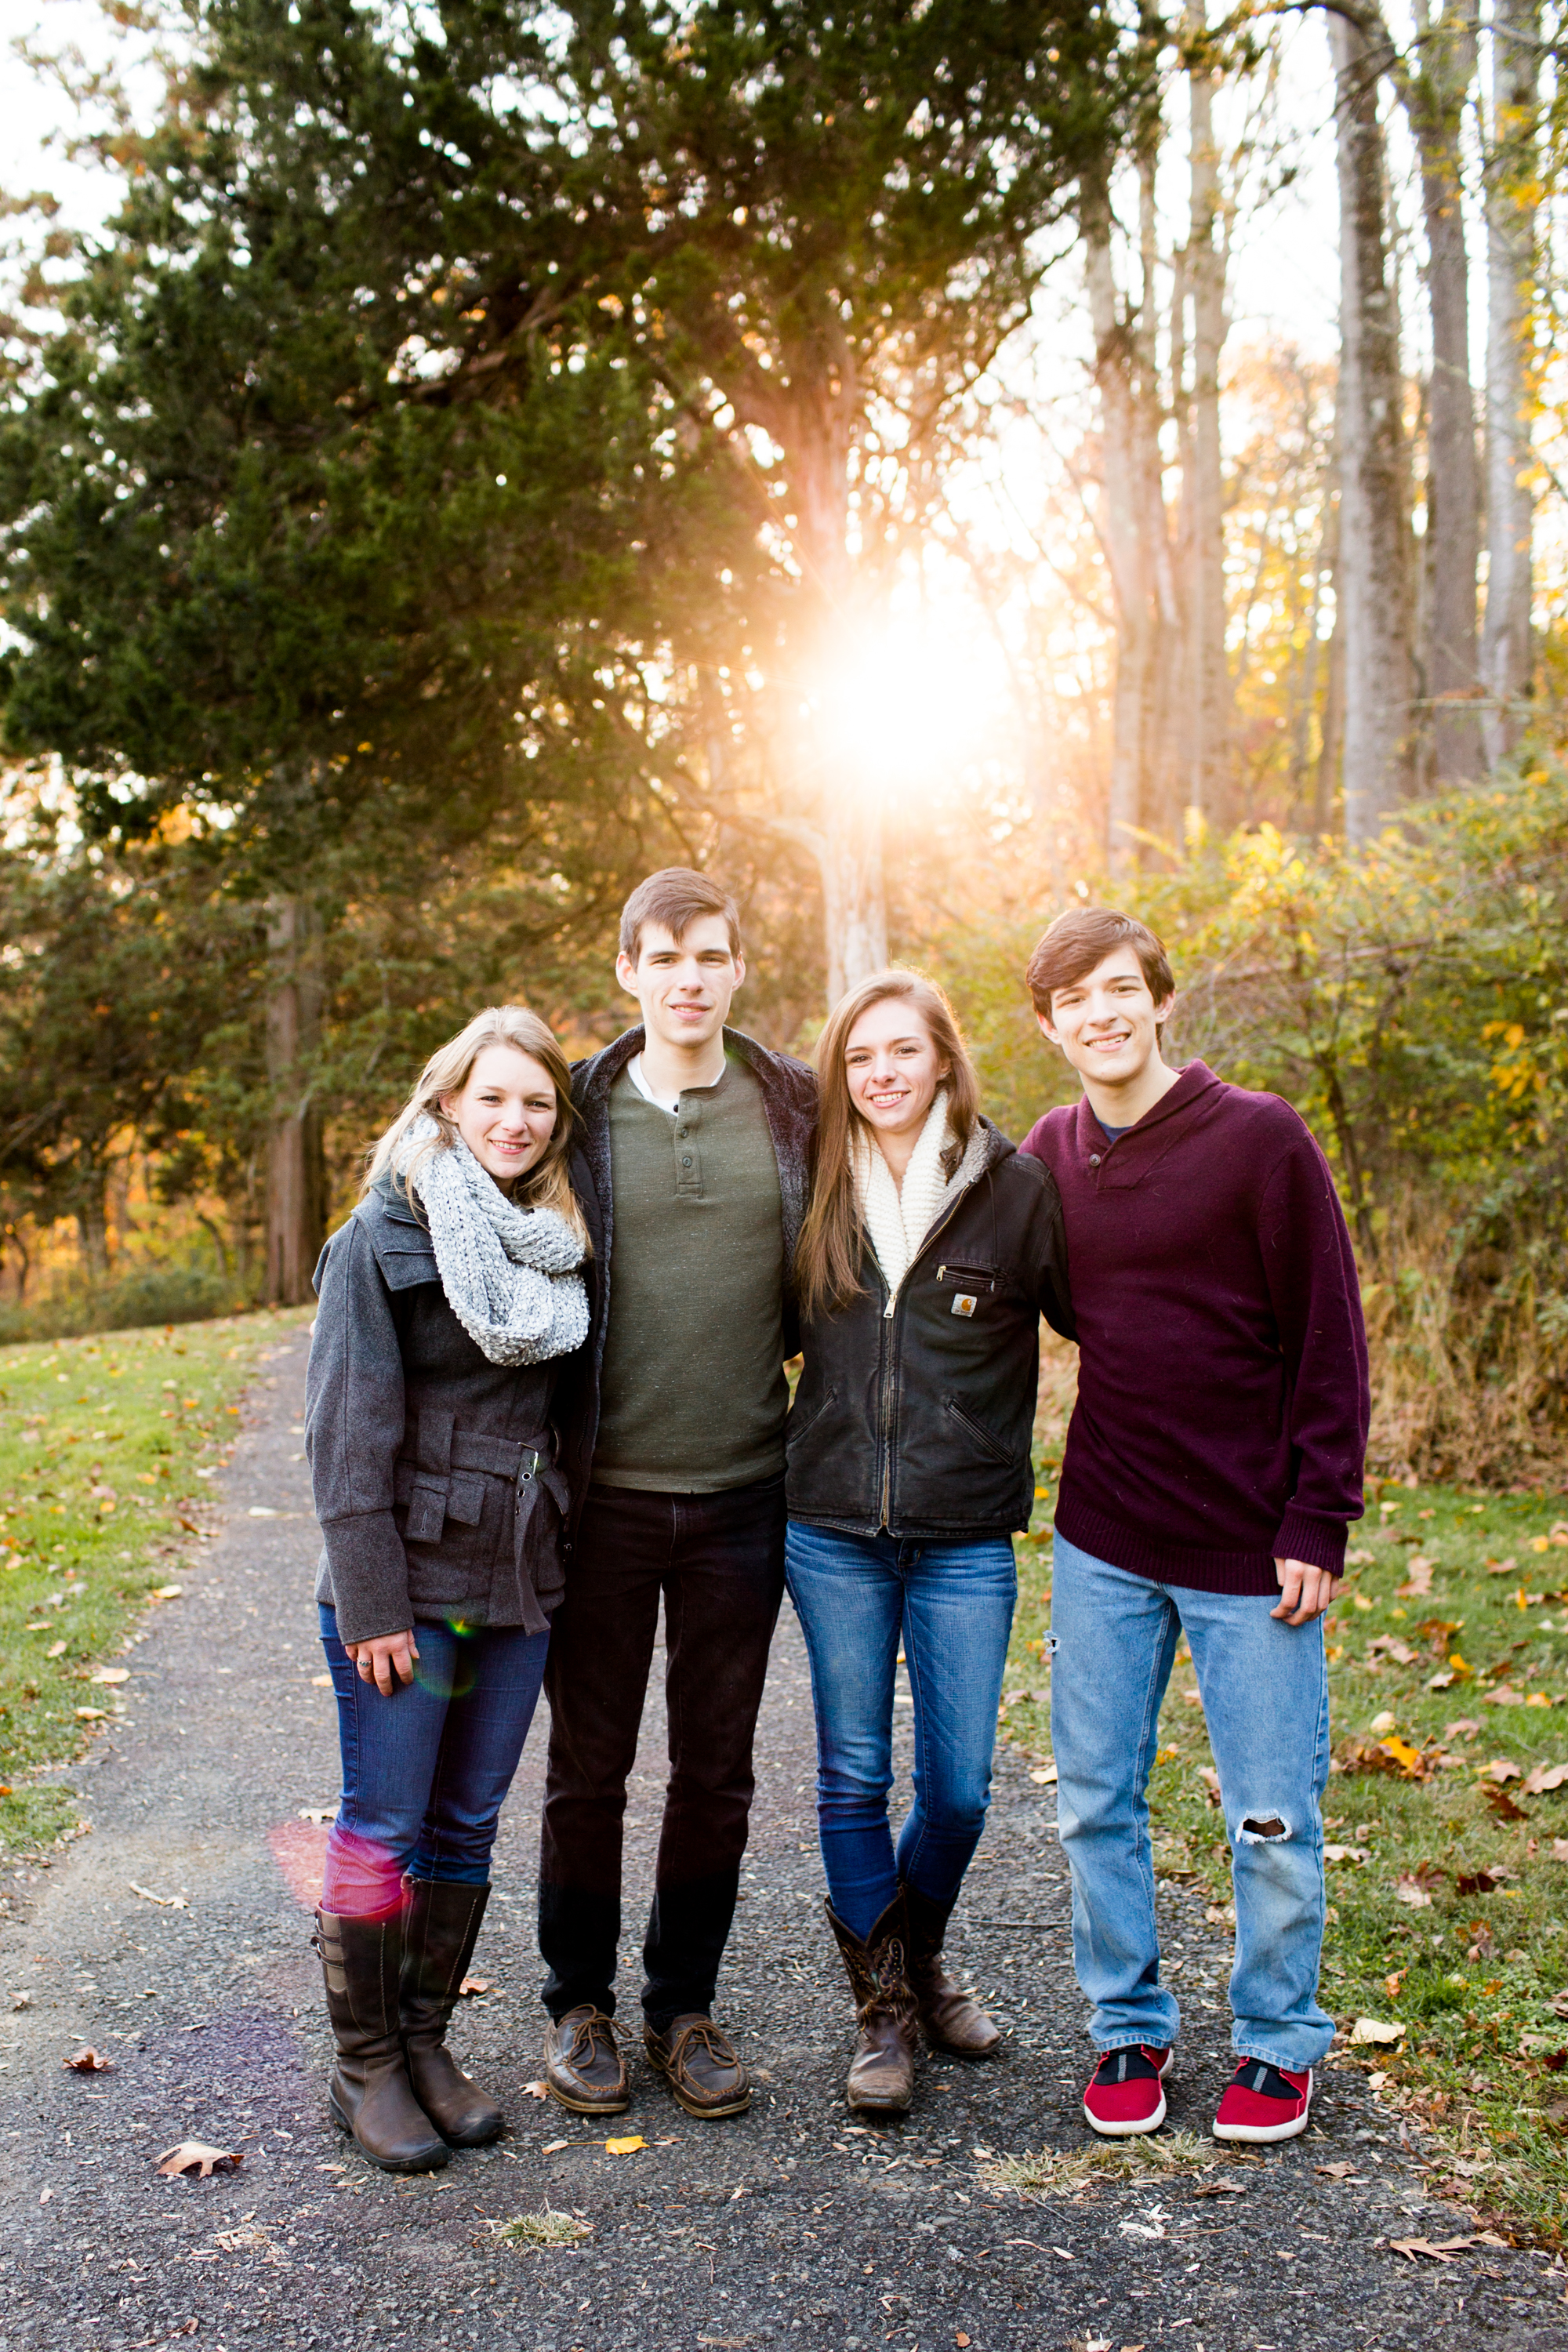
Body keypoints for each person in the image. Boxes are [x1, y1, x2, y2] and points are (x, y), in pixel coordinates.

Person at [1018, 907, 1369, 2145]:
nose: (1101, 1015)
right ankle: (1128, 2023)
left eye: (1121, 990)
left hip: (1253, 1545)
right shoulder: (1050, 1153)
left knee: (1269, 1812)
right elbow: (1056, 1309)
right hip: (1106, 1532)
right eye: (1075, 1000)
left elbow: (1330, 1340)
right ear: (1049, 1024)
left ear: (1160, 999)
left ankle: (1278, 2042)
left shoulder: (1262, 1140)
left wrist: (1318, 1515)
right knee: (1094, 1800)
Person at [536, 867, 815, 2122]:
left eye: (710, 955)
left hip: (747, 1495)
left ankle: (681, 2007)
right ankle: (578, 2006)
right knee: (590, 1766)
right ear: (628, 972)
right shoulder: (577, 1113)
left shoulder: (795, 1105)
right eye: (664, 957)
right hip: (604, 1497)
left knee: (718, 1772)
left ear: (738, 966)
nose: (688, 978)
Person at [305, 1005, 596, 2174]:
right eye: (493, 1100)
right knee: (385, 1822)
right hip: (405, 1585)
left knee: (466, 1821)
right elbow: (343, 1440)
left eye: (536, 1103)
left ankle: (426, 2044)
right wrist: (371, 1602)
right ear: (446, 1106)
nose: (514, 1121)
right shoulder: (377, 1238)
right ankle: (363, 2067)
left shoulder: (558, 1244)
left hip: (514, 1578)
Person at [786, 971, 1073, 2114]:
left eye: (904, 1052)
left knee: (956, 1790)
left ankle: (918, 1955)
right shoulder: (810, 1187)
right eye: (861, 1059)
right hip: (832, 1529)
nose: (883, 1075)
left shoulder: (1014, 1191)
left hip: (964, 1533)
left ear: (946, 1062)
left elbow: (1109, 1319)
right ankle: (887, 2010)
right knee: (853, 1773)